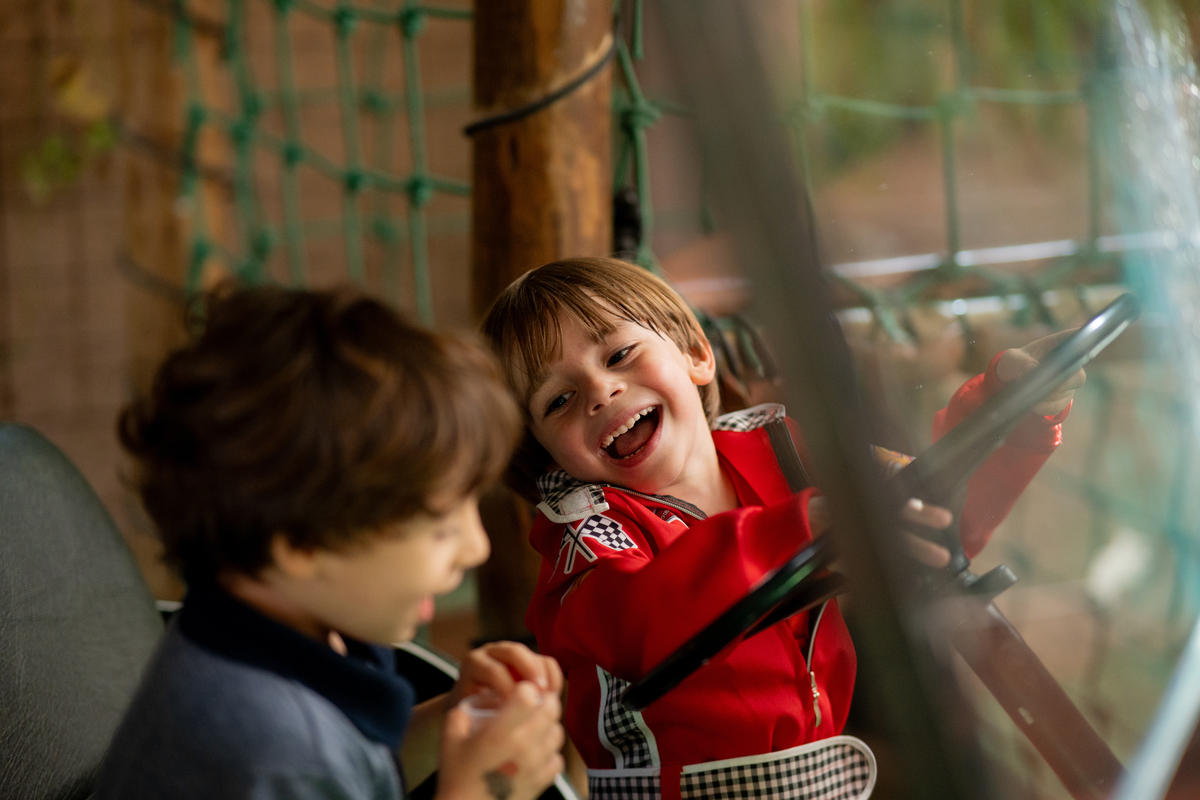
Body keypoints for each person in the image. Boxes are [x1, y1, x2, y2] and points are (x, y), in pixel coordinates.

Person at [480, 257, 1081, 800]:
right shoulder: (585, 534)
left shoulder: (785, 452)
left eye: (619, 355)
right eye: (558, 401)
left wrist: (1012, 415)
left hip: (826, 775)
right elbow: (637, 620)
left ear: (696, 353)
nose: (601, 390)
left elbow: (927, 519)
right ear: (548, 455)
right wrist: (805, 526)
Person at [95, 286, 566, 800]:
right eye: (442, 528)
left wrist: (451, 717)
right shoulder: (273, 748)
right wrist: (483, 790)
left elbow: (352, 775)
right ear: (301, 545)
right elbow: (317, 766)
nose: (478, 548)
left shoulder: (248, 630)